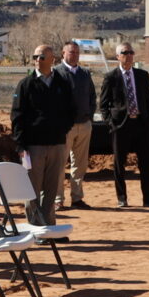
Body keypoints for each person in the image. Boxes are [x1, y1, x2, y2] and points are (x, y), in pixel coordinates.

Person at [10, 45, 76, 223]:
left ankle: (48, 226)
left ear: (52, 59)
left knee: (51, 189)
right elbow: (17, 116)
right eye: (35, 57)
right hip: (34, 146)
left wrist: (62, 130)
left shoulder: (62, 83)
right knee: (32, 189)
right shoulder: (26, 84)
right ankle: (34, 227)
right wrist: (20, 145)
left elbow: (72, 111)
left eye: (42, 57)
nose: (37, 60)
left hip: (57, 144)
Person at [99, 43, 149, 208]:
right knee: (120, 164)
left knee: (146, 163)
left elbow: (148, 101)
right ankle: (122, 198)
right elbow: (103, 105)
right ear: (118, 56)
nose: (128, 55)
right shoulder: (111, 77)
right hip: (121, 126)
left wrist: (148, 122)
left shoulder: (142, 75)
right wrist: (112, 124)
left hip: (141, 124)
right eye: (125, 53)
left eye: (131, 52)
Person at [56, 41, 97, 209]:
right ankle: (58, 199)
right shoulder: (56, 73)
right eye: (71, 52)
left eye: (77, 53)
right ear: (63, 53)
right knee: (59, 164)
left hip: (84, 124)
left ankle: (77, 197)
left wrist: (89, 116)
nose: (75, 56)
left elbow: (92, 96)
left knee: (80, 164)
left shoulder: (85, 74)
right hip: (64, 127)